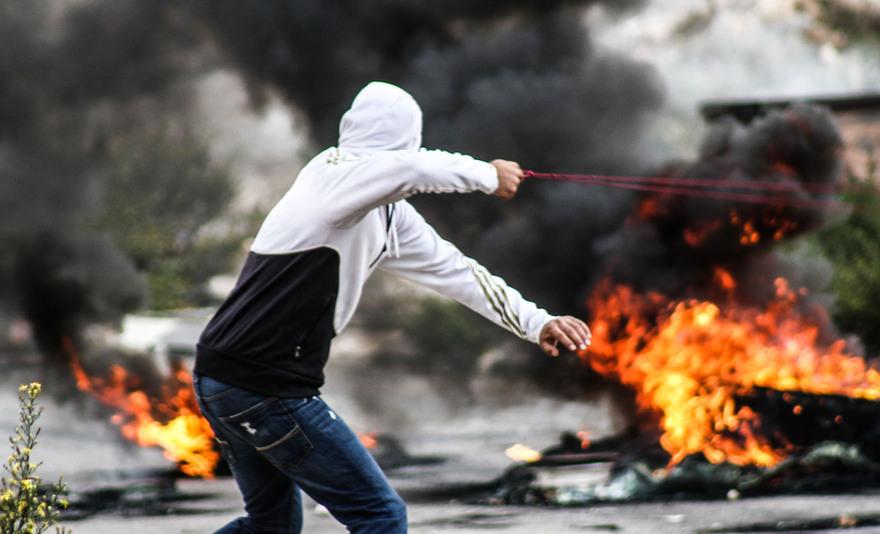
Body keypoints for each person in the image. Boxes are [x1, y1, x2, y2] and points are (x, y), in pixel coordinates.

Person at [192, 81, 592, 534]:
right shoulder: (333, 175)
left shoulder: (388, 215)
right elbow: (409, 168)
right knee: (381, 516)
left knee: (271, 526)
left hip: (224, 376)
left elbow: (459, 272)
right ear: (406, 141)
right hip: (262, 386)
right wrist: (487, 174)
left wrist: (537, 322)